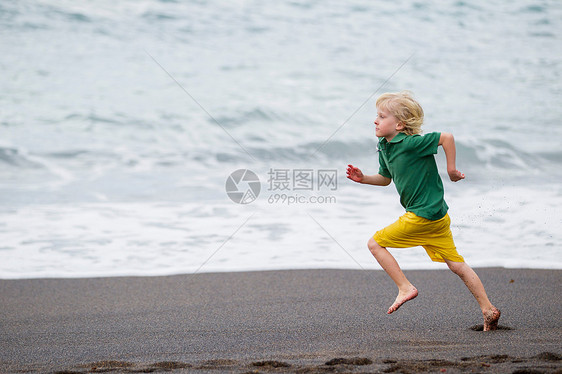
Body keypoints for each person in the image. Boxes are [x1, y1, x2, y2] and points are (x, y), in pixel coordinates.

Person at [346, 91, 500, 331]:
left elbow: (446, 138)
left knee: (375, 244)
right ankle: (488, 310)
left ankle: (405, 288)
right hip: (437, 217)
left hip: (421, 215)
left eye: (381, 116)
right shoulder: (384, 146)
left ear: (399, 124)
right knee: (457, 264)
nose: (375, 120)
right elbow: (385, 178)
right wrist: (363, 178)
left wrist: (451, 171)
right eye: (376, 116)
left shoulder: (412, 143)